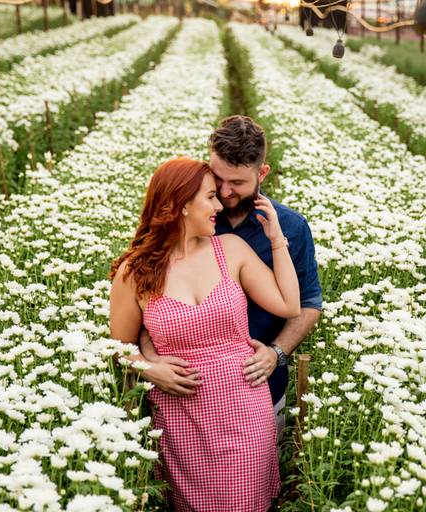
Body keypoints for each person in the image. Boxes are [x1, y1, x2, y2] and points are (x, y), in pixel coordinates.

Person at [109, 157, 300, 511]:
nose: (219, 205)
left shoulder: (230, 249)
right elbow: (120, 347)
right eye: (210, 197)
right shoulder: (134, 272)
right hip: (180, 416)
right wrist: (150, 369)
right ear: (181, 206)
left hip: (244, 403)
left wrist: (277, 240)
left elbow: (290, 304)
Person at [140, 115, 323, 442]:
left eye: (236, 183)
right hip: (183, 393)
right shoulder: (194, 219)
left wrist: (276, 353)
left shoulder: (292, 228)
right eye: (218, 179)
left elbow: (307, 305)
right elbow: (148, 304)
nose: (224, 192)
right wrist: (148, 361)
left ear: (262, 172)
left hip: (259, 386)